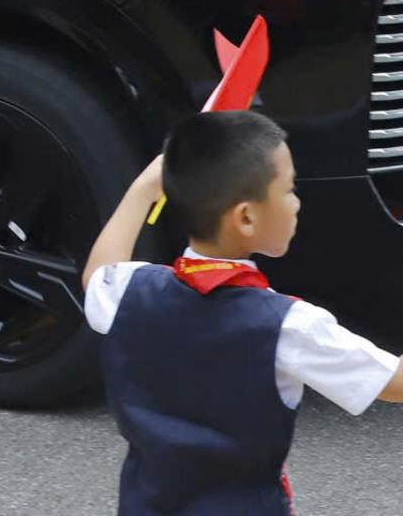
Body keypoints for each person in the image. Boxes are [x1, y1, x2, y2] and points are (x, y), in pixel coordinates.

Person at [83, 111, 403, 514]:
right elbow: (396, 384)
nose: (297, 202)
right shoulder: (289, 327)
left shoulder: (126, 291)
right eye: (289, 190)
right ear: (246, 217)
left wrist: (143, 189)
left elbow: (97, 273)